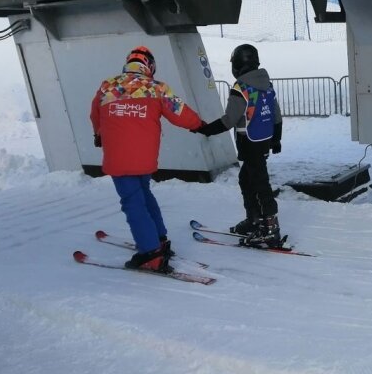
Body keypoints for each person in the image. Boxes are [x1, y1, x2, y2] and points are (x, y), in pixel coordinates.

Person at [90, 45, 203, 272]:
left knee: (133, 202)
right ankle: (159, 238)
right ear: (149, 66)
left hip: (118, 158)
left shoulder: (107, 86)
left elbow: (95, 114)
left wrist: (98, 134)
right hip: (145, 158)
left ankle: (151, 253)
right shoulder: (156, 88)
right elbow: (180, 113)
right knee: (144, 194)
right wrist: (199, 125)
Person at [194, 44, 284, 247]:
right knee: (247, 179)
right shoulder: (266, 85)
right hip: (263, 140)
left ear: (237, 65)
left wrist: (205, 129)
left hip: (249, 143)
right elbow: (276, 115)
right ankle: (255, 219)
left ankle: (270, 228)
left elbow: (229, 120)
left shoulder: (240, 88)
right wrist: (276, 139)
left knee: (260, 184)